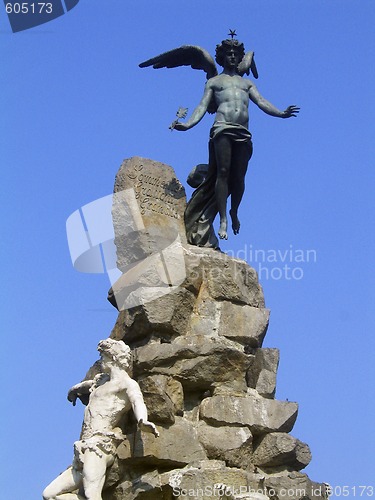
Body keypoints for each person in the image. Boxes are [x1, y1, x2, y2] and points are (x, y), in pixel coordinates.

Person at [175, 38, 299, 245]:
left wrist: (281, 113)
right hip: (222, 128)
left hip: (243, 132)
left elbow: (261, 102)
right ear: (222, 57)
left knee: (239, 177)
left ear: (240, 58)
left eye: (236, 54)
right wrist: (188, 124)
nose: (232, 57)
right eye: (229, 54)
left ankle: (234, 211)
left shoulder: (247, 83)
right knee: (223, 173)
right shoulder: (214, 82)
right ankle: (222, 219)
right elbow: (202, 107)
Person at [43, 338, 158, 500]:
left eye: (103, 357)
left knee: (92, 494)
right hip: (83, 447)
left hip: (99, 446)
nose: (101, 361)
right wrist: (75, 389)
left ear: (114, 358)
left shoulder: (126, 384)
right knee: (49, 494)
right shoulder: (102, 381)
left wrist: (142, 421)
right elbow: (88, 385)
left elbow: (137, 401)